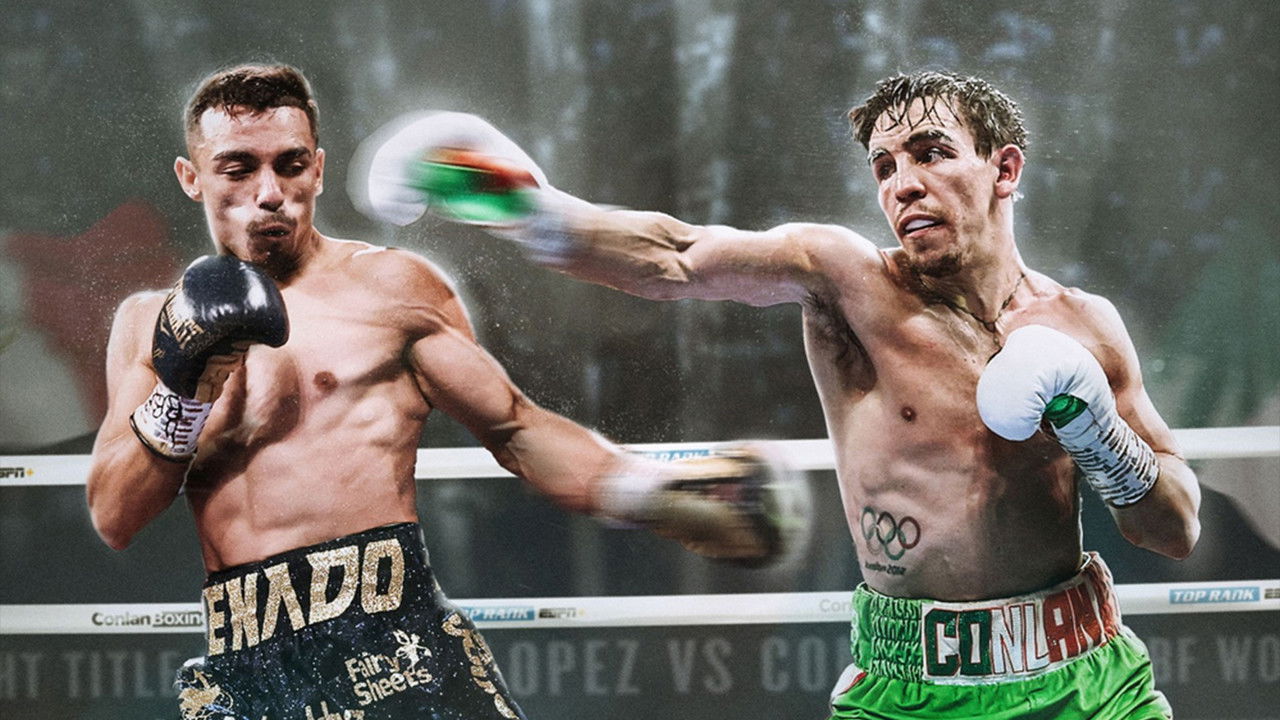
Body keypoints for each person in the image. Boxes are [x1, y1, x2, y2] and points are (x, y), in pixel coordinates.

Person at [362, 71, 1201, 718]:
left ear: (1004, 168)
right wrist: (518, 203)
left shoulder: (1084, 325)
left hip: (1084, 679)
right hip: (910, 686)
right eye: (884, 166)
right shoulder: (849, 282)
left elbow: (1174, 528)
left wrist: (1096, 429)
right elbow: (676, 256)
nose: (902, 183)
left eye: (931, 153)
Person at [85, 63, 806, 720]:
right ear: (192, 177)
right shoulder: (147, 324)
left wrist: (654, 494)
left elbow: (516, 430)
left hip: (395, 642)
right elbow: (115, 515)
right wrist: (185, 390)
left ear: (319, 170)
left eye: (290, 165)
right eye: (238, 168)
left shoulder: (393, 289)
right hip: (247, 667)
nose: (269, 193)